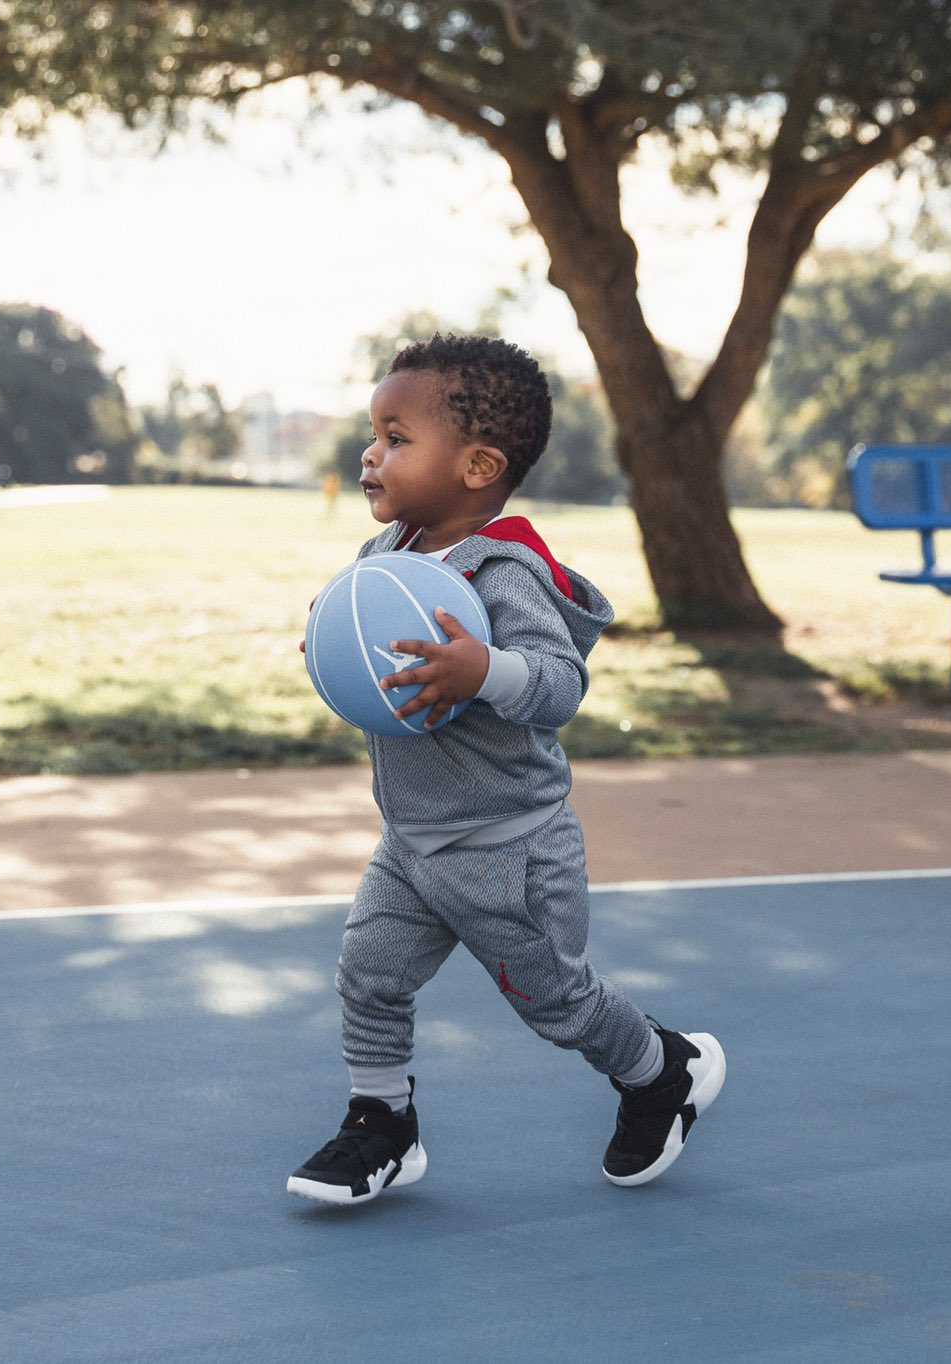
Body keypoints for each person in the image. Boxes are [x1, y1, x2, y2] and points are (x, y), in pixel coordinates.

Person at [287, 334, 724, 1206]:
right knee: (367, 972)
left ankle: (659, 1071)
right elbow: (365, 653)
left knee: (556, 1003)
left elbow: (560, 684)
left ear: (480, 464)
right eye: (376, 432)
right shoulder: (385, 563)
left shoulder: (503, 569)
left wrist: (483, 670)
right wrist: (331, 642)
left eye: (398, 436)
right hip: (413, 842)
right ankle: (382, 1124)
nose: (372, 453)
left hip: (510, 850)